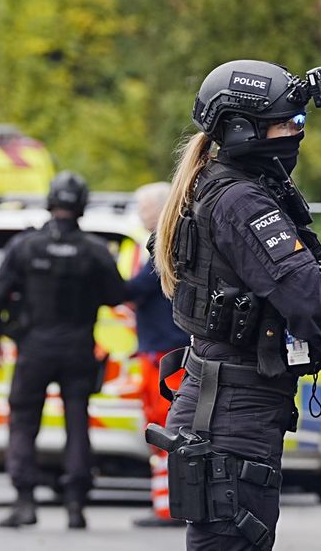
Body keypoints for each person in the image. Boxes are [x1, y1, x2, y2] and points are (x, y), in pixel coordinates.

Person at [155, 59, 321, 551]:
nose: (297, 133)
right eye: (287, 123)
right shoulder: (240, 200)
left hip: (232, 401)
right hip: (232, 409)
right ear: (241, 129)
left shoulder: (235, 186)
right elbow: (300, 287)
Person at [0, 171, 127, 530]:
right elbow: (116, 295)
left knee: (23, 422)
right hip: (79, 348)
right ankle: (76, 506)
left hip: (34, 348)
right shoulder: (95, 251)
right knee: (77, 422)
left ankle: (25, 503)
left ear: (51, 202)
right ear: (81, 205)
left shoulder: (25, 246)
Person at [125, 181, 189, 528]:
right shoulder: (171, 240)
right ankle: (167, 504)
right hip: (167, 350)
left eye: (143, 207)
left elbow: (136, 289)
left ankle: (172, 507)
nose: (139, 214)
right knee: (165, 427)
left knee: (167, 427)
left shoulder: (163, 245)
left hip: (166, 354)